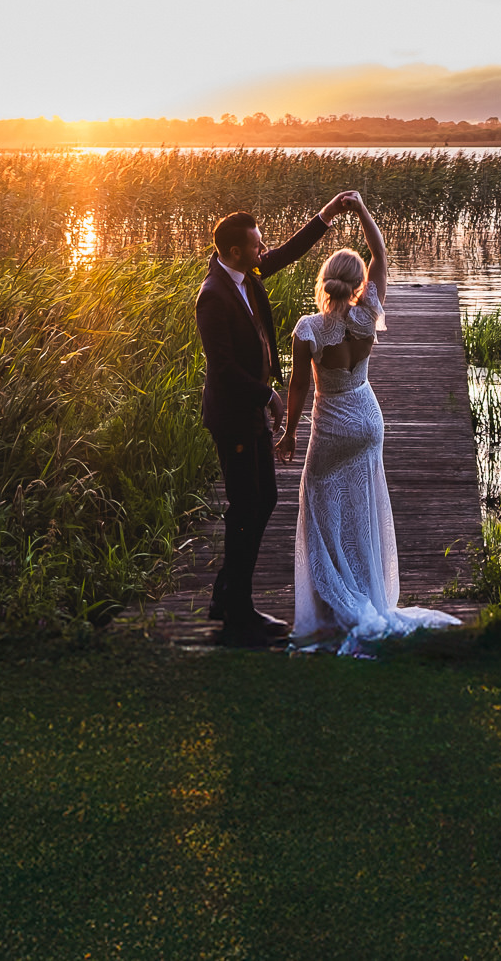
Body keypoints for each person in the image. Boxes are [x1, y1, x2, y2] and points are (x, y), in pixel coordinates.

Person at [278, 194, 461, 656]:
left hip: (333, 424)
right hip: (368, 416)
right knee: (361, 504)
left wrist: (289, 433)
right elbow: (379, 252)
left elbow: (299, 388)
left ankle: (335, 603)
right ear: (358, 284)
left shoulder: (308, 329)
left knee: (320, 508)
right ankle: (367, 587)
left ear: (324, 282)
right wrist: (359, 209)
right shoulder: (368, 312)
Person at [195, 193, 357, 645]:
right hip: (234, 417)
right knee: (249, 505)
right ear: (233, 253)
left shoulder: (247, 275)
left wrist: (326, 215)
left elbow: (286, 252)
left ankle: (229, 596)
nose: (263, 251)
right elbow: (223, 366)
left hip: (252, 417)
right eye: (256, 246)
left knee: (260, 501)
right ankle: (238, 612)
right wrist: (269, 395)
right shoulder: (212, 297)